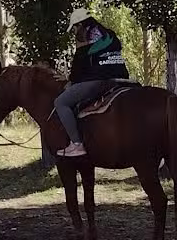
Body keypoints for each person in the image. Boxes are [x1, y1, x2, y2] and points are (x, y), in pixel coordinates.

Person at [54, 8, 129, 157]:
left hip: (100, 80)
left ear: (80, 25)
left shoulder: (85, 35)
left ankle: (77, 144)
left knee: (61, 102)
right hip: (123, 78)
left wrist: (71, 81)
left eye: (74, 28)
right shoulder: (109, 33)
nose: (74, 32)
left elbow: (80, 64)